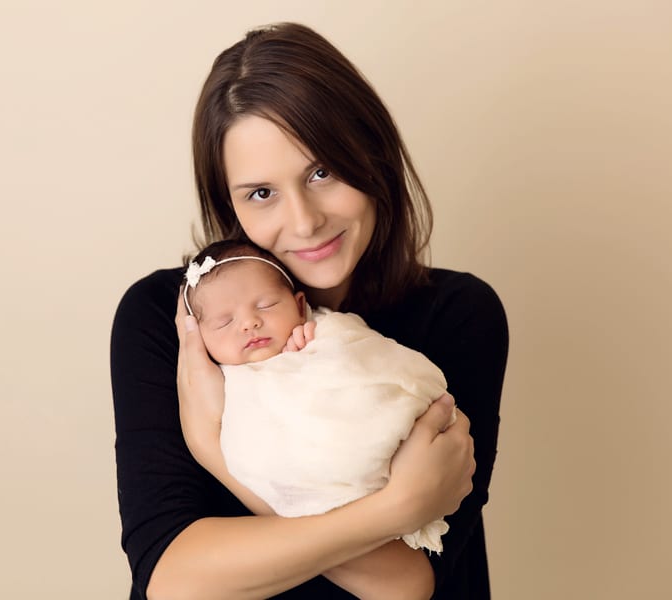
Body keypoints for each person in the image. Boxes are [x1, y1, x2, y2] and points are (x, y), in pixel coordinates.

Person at [110, 21, 509, 599]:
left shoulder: (458, 314)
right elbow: (173, 582)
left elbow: (405, 585)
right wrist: (392, 509)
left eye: (322, 172)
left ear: (372, 156)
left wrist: (215, 446)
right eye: (261, 193)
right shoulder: (169, 319)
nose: (304, 222)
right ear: (229, 203)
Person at [181, 239, 453, 553]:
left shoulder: (319, 332)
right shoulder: (222, 383)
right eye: (224, 322)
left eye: (266, 305)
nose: (249, 323)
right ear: (198, 338)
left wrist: (313, 350)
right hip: (315, 495)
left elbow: (362, 360)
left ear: (299, 306)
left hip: (383, 445)